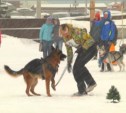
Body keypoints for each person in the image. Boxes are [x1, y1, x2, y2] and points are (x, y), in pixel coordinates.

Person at [59, 24, 97, 96]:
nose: (64, 35)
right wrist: (69, 62)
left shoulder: (77, 31)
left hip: (91, 48)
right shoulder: (65, 38)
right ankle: (83, 89)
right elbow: (69, 50)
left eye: (65, 33)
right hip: (82, 50)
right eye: (62, 34)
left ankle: (90, 83)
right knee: (76, 69)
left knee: (79, 66)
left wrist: (83, 47)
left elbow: (91, 40)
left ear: (67, 30)